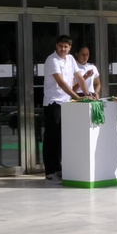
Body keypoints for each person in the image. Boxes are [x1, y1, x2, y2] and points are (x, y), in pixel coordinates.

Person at [41, 34, 78, 180]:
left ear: (70, 48)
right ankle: (49, 170)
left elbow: (79, 76)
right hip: (53, 103)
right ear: (56, 46)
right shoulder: (52, 60)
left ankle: (58, 167)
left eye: (66, 47)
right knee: (51, 137)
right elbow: (61, 83)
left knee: (61, 137)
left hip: (66, 103)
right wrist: (77, 96)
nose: (63, 49)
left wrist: (87, 93)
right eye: (61, 46)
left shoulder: (70, 59)